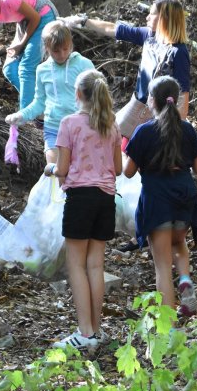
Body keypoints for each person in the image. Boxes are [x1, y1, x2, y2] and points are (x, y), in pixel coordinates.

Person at [70, 0, 191, 252]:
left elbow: (184, 96)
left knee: (144, 173)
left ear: (165, 19)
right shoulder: (149, 36)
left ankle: (143, 232)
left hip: (160, 116)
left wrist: (177, 132)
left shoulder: (178, 52)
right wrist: (83, 21)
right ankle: (107, 212)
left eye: (153, 13)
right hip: (137, 107)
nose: (148, 17)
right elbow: (115, 29)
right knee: (113, 149)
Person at [45, 70, 122, 350]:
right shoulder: (111, 125)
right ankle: (96, 330)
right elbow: (119, 168)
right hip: (106, 198)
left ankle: (84, 333)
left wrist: (51, 168)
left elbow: (62, 168)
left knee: (75, 264)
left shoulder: (69, 123)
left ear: (78, 94)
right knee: (96, 265)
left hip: (80, 198)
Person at [123, 76, 197, 318]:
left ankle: (167, 325)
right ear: (176, 100)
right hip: (184, 196)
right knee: (178, 242)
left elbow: (128, 172)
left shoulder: (144, 131)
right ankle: (186, 279)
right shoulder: (187, 129)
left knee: (161, 266)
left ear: (151, 101)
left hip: (157, 199)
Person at [5, 21, 95, 163]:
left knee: (79, 177)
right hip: (53, 128)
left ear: (71, 44)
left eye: (65, 49)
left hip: (81, 129)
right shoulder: (42, 70)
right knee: (54, 174)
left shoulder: (84, 65)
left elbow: (97, 98)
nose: (62, 54)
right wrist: (21, 115)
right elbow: (39, 102)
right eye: (56, 51)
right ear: (47, 47)